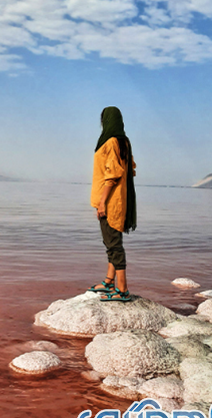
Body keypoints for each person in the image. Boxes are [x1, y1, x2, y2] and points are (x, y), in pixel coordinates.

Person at [87, 106, 137, 302]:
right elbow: (130, 169)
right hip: (118, 200)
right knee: (111, 242)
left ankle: (122, 289)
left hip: (110, 201)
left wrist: (102, 203)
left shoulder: (111, 141)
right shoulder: (123, 141)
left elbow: (112, 174)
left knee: (114, 245)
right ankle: (109, 281)